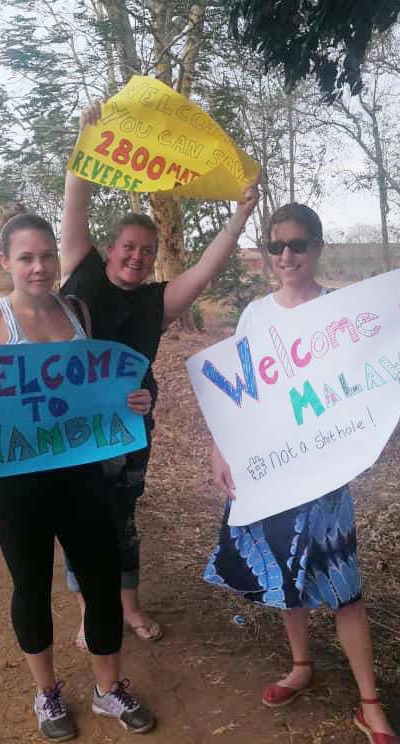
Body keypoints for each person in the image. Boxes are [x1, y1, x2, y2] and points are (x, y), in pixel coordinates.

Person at [205, 204, 400, 744]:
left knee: (346, 589)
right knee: (285, 574)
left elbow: (393, 359)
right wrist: (221, 449)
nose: (286, 256)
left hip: (325, 471)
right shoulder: (255, 316)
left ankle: (370, 704)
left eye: (297, 244)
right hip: (270, 472)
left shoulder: (345, 313)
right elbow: (235, 395)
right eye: (276, 246)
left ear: (317, 247)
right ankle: (301, 666)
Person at [0, 213, 157, 739]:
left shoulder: (78, 311)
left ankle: (108, 689)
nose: (39, 267)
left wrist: (131, 401)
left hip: (83, 476)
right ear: (4, 260)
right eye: (26, 257)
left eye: (47, 255)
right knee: (30, 585)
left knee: (101, 582)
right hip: (14, 484)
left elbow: (96, 391)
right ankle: (46, 692)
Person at [59, 101, 260, 648]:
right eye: (128, 247)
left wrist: (238, 219)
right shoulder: (80, 270)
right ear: (111, 249)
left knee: (123, 516)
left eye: (147, 252)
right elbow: (76, 204)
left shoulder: (157, 302)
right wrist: (85, 141)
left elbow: (206, 270)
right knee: (78, 518)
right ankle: (90, 609)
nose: (137, 257)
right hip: (68, 422)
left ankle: (128, 605)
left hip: (130, 425)